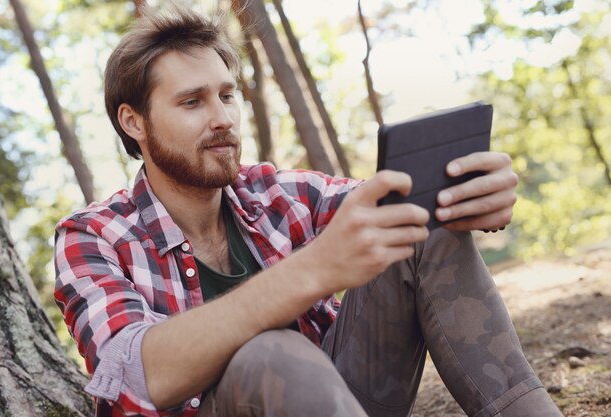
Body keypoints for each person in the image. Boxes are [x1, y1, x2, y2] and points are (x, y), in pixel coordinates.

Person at [53, 5, 562, 417]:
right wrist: (314, 269)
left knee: (412, 217)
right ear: (133, 122)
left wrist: (471, 196)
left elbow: (391, 206)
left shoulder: (272, 193)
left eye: (228, 96)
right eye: (193, 102)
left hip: (341, 402)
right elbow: (141, 376)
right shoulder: (92, 236)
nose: (223, 119)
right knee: (270, 352)